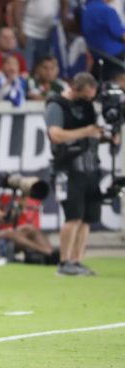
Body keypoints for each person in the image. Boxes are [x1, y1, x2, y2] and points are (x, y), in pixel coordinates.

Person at [45, 72, 117, 276]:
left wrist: (107, 136)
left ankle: (77, 261)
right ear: (74, 89)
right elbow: (55, 135)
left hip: (90, 168)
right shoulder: (56, 106)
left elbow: (92, 134)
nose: (88, 100)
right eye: (85, 96)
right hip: (67, 169)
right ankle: (64, 262)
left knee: (87, 218)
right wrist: (86, 131)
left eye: (91, 97)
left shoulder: (87, 107)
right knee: (73, 216)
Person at [82, 0, 125, 81]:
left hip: (96, 55)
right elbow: (121, 34)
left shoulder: (88, 8)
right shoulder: (107, 10)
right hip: (112, 55)